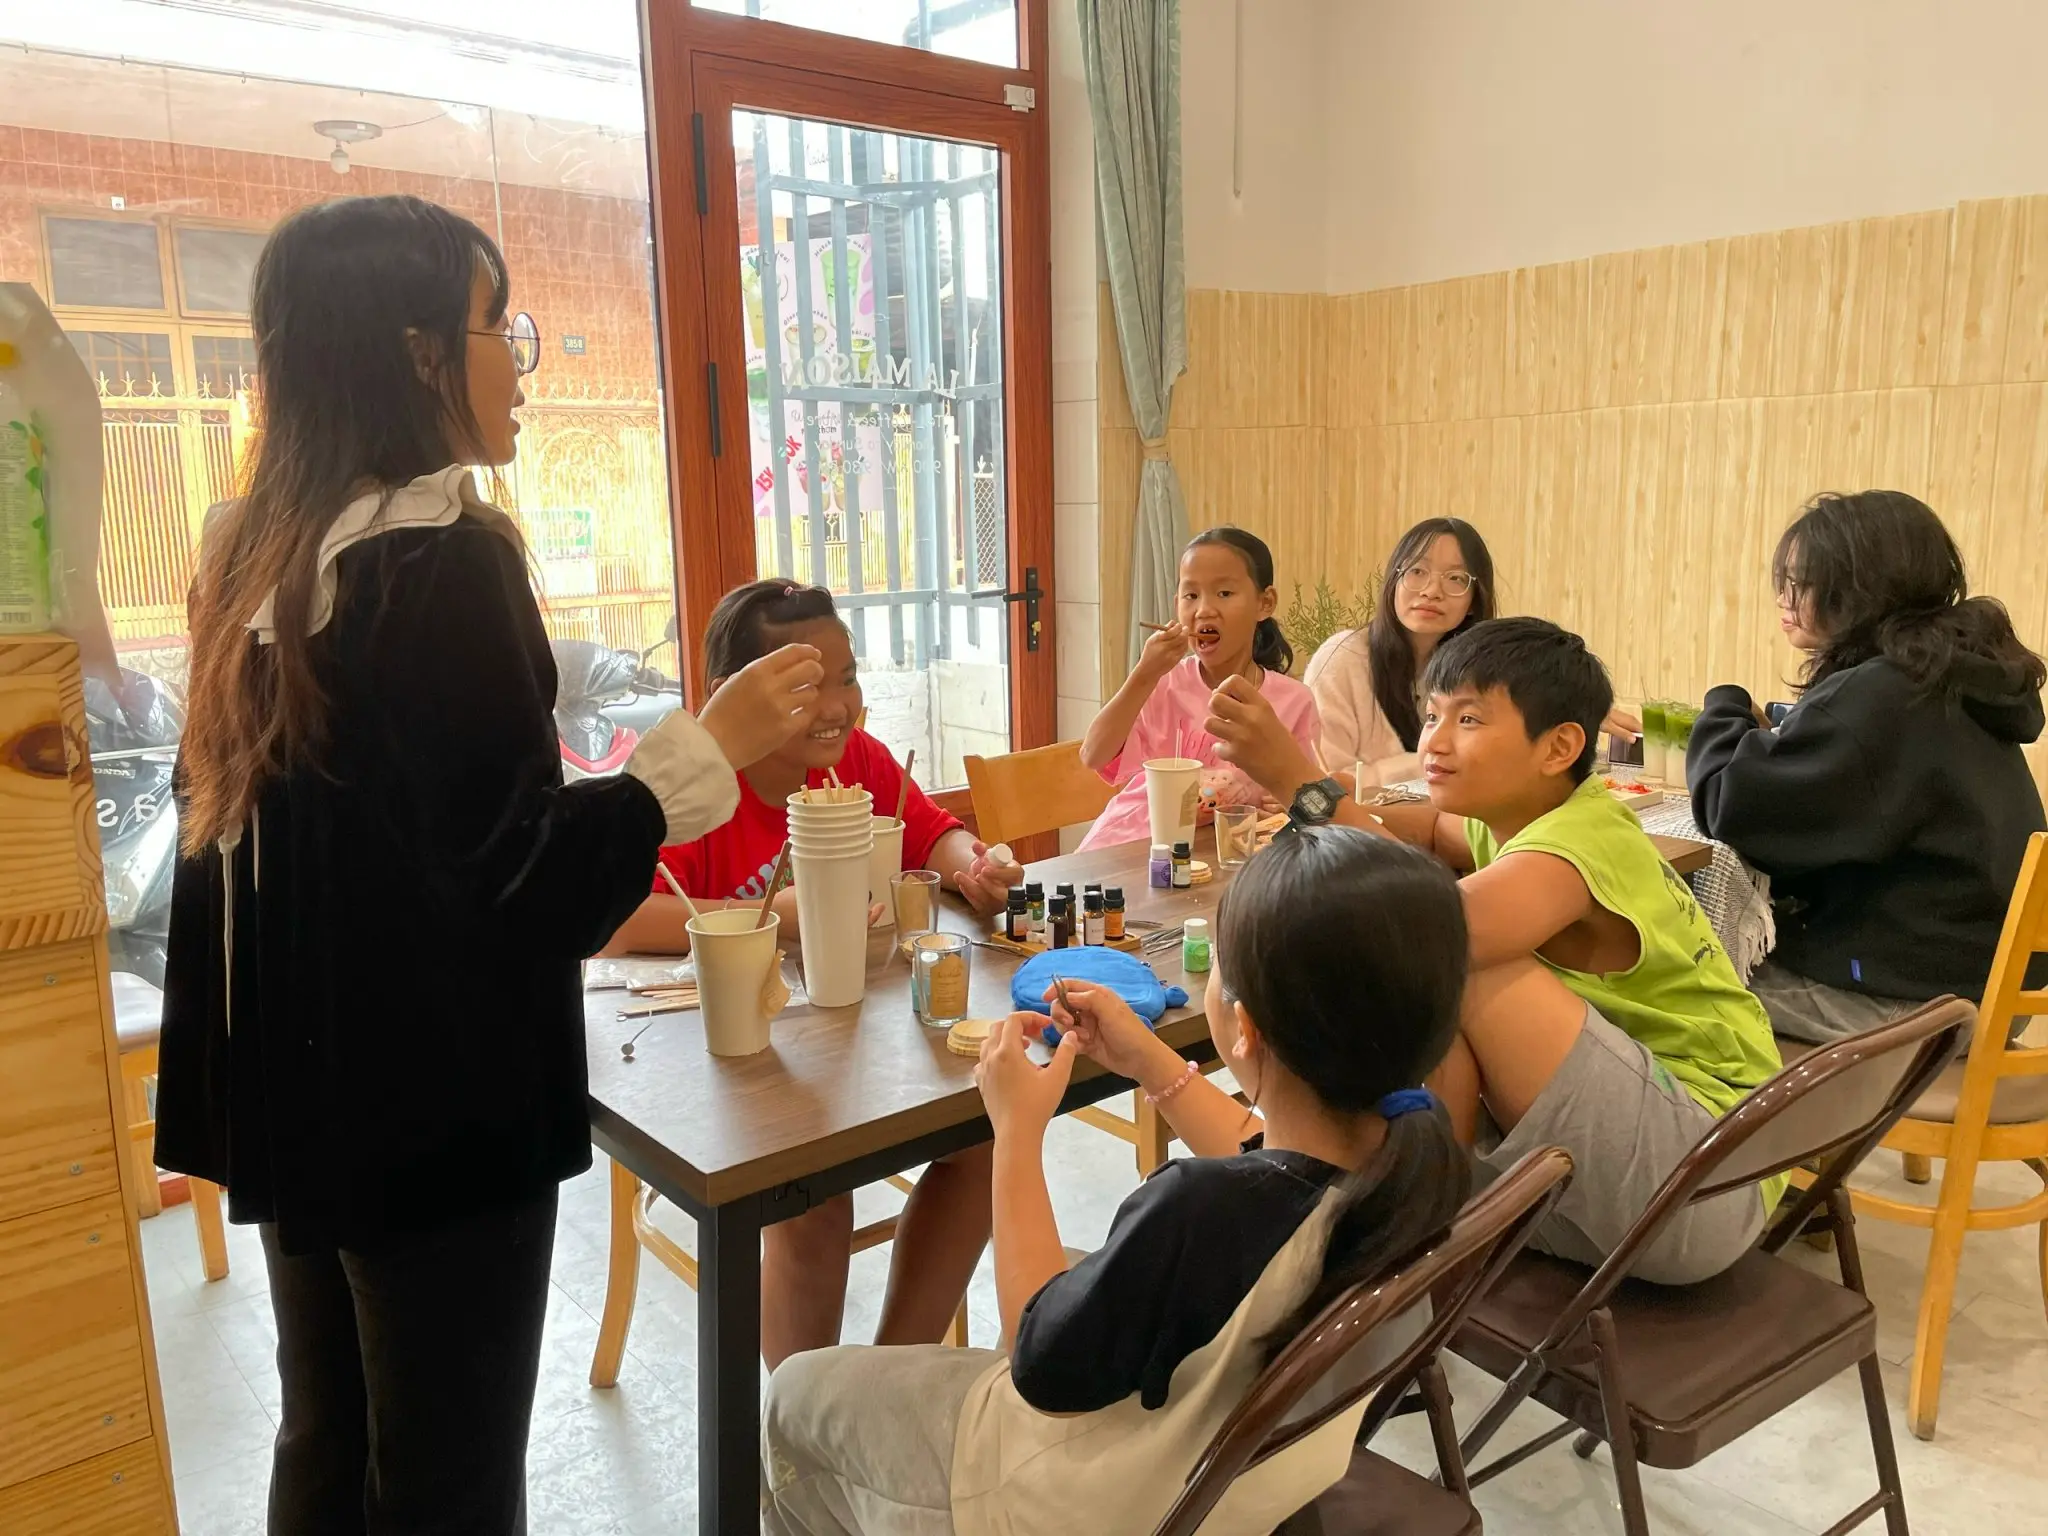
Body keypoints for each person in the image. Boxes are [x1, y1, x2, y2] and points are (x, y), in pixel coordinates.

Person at [150, 195, 826, 1535]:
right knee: (451, 1481)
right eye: (494, 326)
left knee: (330, 1443)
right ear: (413, 353)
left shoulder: (262, 556)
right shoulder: (440, 562)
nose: (520, 359)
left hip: (302, 1101)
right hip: (435, 1118)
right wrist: (701, 755)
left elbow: (381, 847)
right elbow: (518, 885)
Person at [760, 829, 1474, 1534]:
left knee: (795, 1394)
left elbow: (1036, 1359)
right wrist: (1154, 1063)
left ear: (1245, 1028)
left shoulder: (1199, 1209)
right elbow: (1273, 1159)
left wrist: (1016, 1132)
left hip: (1079, 1500)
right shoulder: (1416, 1158)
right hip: (1237, 1483)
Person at [1204, 618, 1783, 1283]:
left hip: (1704, 1182)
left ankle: (1406, 1213)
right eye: (1430, 716)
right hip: (1685, 1163)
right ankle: (1390, 1189)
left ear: (1560, 746)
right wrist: (1326, 807)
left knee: (1453, 965)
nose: (1435, 743)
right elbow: (1424, 828)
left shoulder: (1572, 846)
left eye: (1470, 720)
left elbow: (1424, 926)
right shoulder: (1523, 818)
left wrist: (1297, 781)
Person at [604, 578, 1015, 1368]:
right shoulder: (690, 792)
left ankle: (883, 1389)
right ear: (733, 697)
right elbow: (619, 919)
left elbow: (931, 832)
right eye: (804, 685)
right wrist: (766, 915)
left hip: (846, 1041)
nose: (837, 706)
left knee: (981, 1139)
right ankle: (800, 1425)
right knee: (816, 1199)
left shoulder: (854, 761)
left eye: (848, 677)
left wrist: (972, 868)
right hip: (722, 1057)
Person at [1689, 490, 2048, 1043]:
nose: (1784, 599)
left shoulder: (1883, 696)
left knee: (1669, 989)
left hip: (1915, 1009)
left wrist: (1723, 704)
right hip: (1986, 990)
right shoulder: (1945, 678)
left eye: (1801, 583)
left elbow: (1729, 804)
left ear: (1860, 591)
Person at [1305, 517, 1637, 788]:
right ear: (1394, 580)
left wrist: (1570, 710)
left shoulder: (1475, 666)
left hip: (1449, 824)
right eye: (1417, 572)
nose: (1432, 591)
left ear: (1473, 600)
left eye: (1455, 578)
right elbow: (1332, 781)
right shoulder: (1343, 658)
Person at [1078, 526, 1320, 851]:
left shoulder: (1293, 701)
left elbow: (1305, 794)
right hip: (1134, 844)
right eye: (1191, 596)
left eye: (1224, 593)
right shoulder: (1163, 682)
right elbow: (1093, 755)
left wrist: (1287, 804)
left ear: (1265, 603)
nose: (1204, 609)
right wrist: (1144, 673)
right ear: (1177, 603)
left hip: (1222, 857)